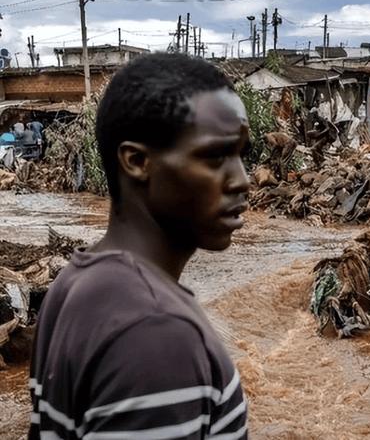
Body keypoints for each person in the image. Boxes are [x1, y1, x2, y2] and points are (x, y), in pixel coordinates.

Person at [29, 54, 249, 439]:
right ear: (136, 161)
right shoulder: (157, 331)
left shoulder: (73, 283)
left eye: (240, 154)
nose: (242, 180)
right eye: (215, 156)